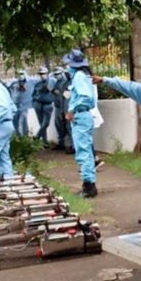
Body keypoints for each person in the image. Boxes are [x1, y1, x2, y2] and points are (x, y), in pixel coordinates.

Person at [63, 49, 98, 198]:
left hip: (80, 116)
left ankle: (88, 187)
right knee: (86, 152)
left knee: (83, 153)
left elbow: (84, 97)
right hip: (84, 117)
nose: (66, 67)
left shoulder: (78, 76)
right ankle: (89, 185)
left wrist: (72, 110)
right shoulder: (82, 76)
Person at [51, 66, 73, 152]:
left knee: (69, 127)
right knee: (59, 125)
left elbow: (66, 97)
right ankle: (62, 144)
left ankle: (72, 146)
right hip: (59, 107)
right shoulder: (62, 83)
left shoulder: (70, 82)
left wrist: (66, 110)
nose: (57, 76)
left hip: (67, 108)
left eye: (58, 74)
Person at [32, 66, 56, 146]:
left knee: (45, 123)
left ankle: (37, 135)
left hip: (48, 104)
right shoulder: (37, 83)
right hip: (38, 104)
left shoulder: (53, 81)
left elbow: (57, 91)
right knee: (41, 123)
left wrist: (50, 90)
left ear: (47, 74)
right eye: (40, 74)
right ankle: (44, 142)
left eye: (43, 74)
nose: (42, 75)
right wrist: (34, 103)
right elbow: (33, 94)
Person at [9, 70, 35, 136]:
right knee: (14, 122)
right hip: (14, 106)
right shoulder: (14, 83)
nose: (21, 75)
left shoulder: (30, 82)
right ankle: (18, 137)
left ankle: (25, 137)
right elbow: (8, 89)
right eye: (20, 74)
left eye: (22, 74)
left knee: (23, 121)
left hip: (24, 107)